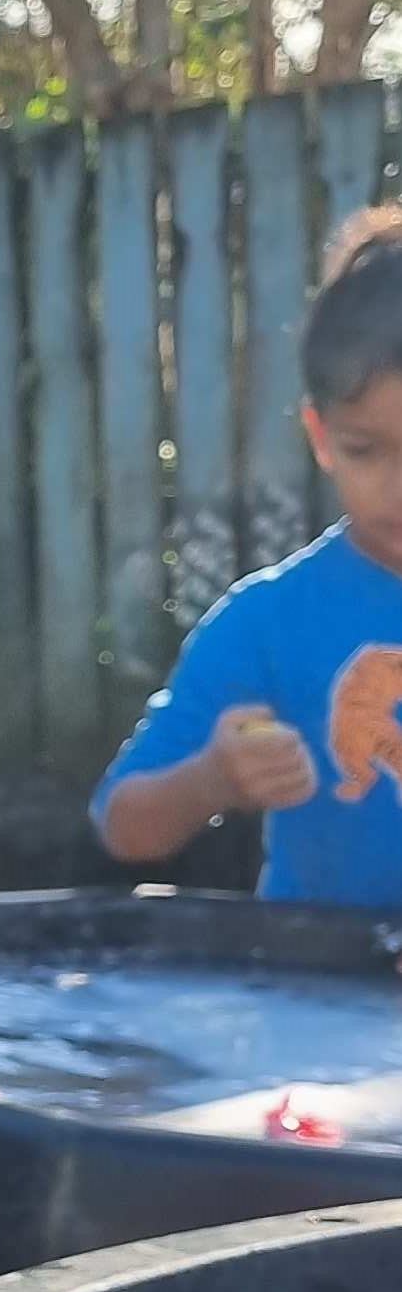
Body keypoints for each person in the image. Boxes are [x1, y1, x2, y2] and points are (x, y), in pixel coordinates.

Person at [97, 206, 402, 909]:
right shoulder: (271, 620)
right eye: (365, 450)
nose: (396, 486)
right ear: (320, 436)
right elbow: (124, 823)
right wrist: (213, 779)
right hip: (307, 1001)